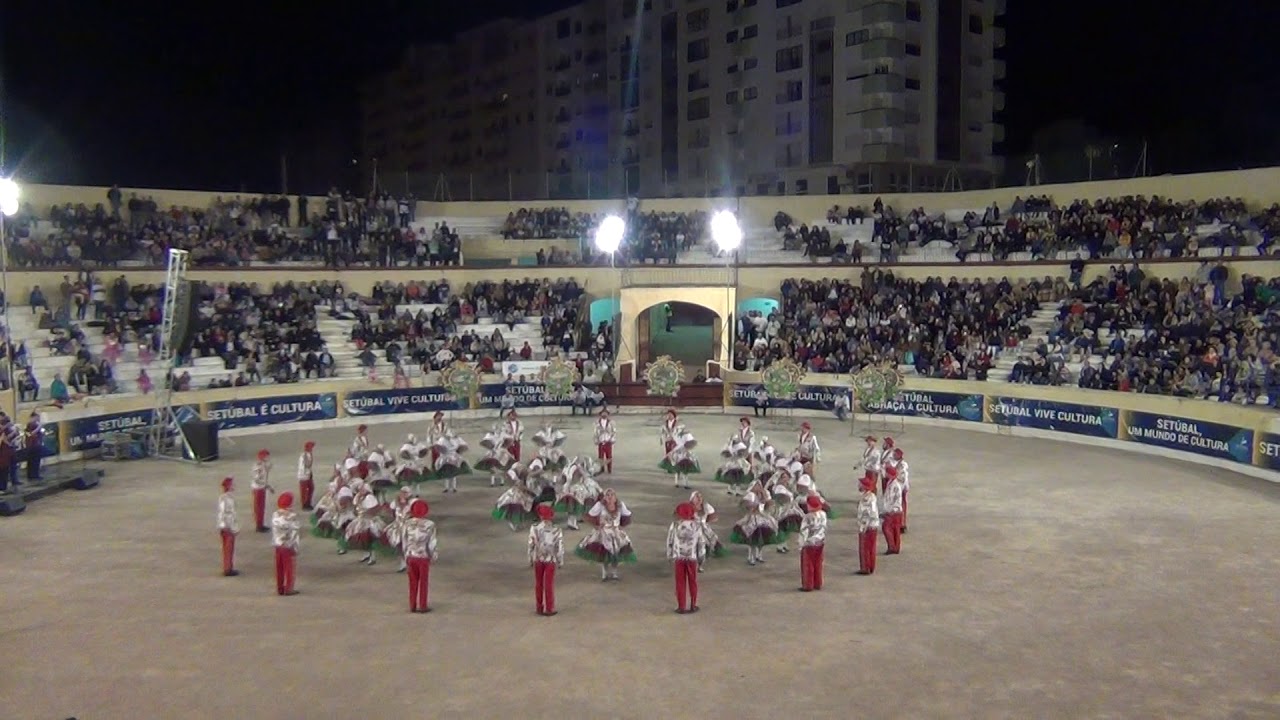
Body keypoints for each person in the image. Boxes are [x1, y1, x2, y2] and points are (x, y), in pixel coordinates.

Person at [575, 488, 635, 581]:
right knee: (604, 553)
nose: (610, 497)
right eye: (608, 495)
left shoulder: (620, 505)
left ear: (615, 497)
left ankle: (614, 573)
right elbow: (590, 515)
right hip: (604, 532)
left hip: (615, 532)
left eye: (612, 495)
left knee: (616, 551)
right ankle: (604, 573)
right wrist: (596, 525)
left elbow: (627, 515)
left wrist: (621, 527)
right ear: (605, 497)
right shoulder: (600, 505)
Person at [731, 479, 782, 566]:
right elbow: (744, 506)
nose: (758, 487)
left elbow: (769, 506)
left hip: (763, 518)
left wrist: (766, 501)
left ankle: (759, 555)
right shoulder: (750, 495)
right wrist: (752, 508)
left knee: (762, 537)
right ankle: (751, 557)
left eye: (759, 485)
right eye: (756, 485)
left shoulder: (764, 494)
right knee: (752, 539)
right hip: (753, 518)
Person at [667, 502, 706, 614]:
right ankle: (693, 605)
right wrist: (701, 559)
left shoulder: (675, 525)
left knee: (680, 582)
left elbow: (669, 541)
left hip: (679, 558)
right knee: (693, 581)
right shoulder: (697, 526)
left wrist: (670, 555)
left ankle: (681, 606)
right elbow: (701, 543)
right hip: (692, 558)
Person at [527, 504, 565, 616]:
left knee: (538, 583)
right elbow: (560, 546)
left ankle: (539, 607)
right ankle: (549, 608)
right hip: (551, 559)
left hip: (538, 559)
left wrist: (530, 558)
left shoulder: (534, 527)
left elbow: (531, 544)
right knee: (548, 583)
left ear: (540, 516)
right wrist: (560, 560)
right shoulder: (557, 529)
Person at [403, 498, 439, 613]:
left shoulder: (407, 523)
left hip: (410, 555)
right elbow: (432, 542)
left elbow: (404, 540)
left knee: (412, 582)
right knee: (423, 581)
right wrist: (433, 555)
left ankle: (412, 605)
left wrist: (405, 554)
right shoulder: (430, 524)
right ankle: (422, 605)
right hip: (423, 556)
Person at [343, 487, 390, 565]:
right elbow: (355, 508)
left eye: (363, 489)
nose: (361, 491)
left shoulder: (370, 498)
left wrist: (366, 514)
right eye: (361, 489)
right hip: (360, 520)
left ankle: (373, 556)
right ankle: (366, 553)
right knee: (360, 537)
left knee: (370, 537)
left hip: (370, 520)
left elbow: (375, 509)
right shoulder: (358, 497)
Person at [555, 457, 603, 531]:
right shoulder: (578, 468)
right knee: (589, 497)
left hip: (566, 488)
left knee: (572, 505)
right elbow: (576, 479)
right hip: (576, 488)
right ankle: (574, 521)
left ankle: (577, 519)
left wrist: (563, 487)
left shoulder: (567, 467)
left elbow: (562, 479)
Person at [493, 463, 537, 532]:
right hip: (516, 494)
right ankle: (513, 523)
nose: (522, 470)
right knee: (518, 508)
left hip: (516, 493)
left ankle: (515, 523)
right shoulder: (514, 475)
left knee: (517, 509)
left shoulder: (516, 474)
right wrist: (532, 492)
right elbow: (520, 486)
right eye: (520, 469)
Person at [272, 492, 301, 596]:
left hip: (278, 544)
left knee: (279, 567)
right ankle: (289, 588)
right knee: (289, 568)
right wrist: (295, 548)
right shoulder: (292, 516)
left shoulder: (275, 514)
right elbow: (295, 532)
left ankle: (280, 587)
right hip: (288, 545)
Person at [797, 494, 827, 591]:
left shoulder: (807, 517)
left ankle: (808, 585)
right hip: (820, 542)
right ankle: (818, 583)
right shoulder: (823, 514)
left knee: (808, 564)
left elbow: (803, 532)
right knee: (818, 563)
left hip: (809, 544)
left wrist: (801, 545)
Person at [688, 491, 724, 570]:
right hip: (692, 529)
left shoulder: (706, 506)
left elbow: (713, 517)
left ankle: (700, 564)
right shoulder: (688, 507)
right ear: (692, 499)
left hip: (704, 529)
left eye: (700, 497)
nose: (699, 499)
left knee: (705, 545)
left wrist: (704, 522)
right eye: (697, 497)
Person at [660, 424, 700, 489]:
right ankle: (684, 485)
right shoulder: (682, 439)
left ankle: (677, 483)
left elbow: (670, 437)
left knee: (678, 471)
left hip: (678, 456)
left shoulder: (677, 438)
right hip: (682, 457)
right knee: (684, 472)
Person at [855, 473, 881, 575]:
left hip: (867, 527)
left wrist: (863, 527)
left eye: (860, 484)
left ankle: (865, 567)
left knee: (865, 547)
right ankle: (871, 565)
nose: (858, 485)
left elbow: (867, 514)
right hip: (873, 525)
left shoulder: (866, 499)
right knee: (871, 547)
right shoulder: (871, 496)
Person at [433, 429, 471, 493]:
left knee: (454, 473)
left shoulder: (456, 439)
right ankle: (447, 488)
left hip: (454, 457)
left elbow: (463, 445)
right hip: (445, 458)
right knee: (447, 473)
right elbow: (438, 446)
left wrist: (459, 450)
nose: (449, 437)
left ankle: (454, 488)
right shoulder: (442, 440)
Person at [216, 477, 239, 577]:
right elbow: (224, 513)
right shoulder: (226, 499)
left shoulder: (226, 497)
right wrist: (229, 526)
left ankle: (228, 567)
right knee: (228, 547)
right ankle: (228, 568)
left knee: (228, 547)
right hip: (227, 525)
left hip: (226, 524)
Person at [881, 465, 904, 555]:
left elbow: (897, 499)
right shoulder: (890, 482)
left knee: (887, 527)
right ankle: (894, 547)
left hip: (894, 511)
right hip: (890, 510)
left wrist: (891, 510)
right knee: (894, 529)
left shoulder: (896, 485)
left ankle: (892, 547)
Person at [251, 449, 275, 533]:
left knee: (262, 507)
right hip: (258, 488)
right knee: (259, 508)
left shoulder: (263, 465)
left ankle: (260, 524)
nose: (268, 458)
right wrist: (267, 486)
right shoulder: (259, 466)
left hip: (261, 488)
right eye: (266, 456)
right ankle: (259, 525)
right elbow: (257, 479)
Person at [892, 448, 910, 533]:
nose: (893, 456)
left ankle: (902, 524)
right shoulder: (898, 463)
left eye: (895, 454)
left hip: (902, 488)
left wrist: (900, 488)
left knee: (901, 505)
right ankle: (900, 523)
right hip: (900, 487)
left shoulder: (902, 465)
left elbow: (903, 478)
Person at [593, 408, 616, 474]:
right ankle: (601, 468)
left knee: (609, 456)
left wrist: (612, 439)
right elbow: (595, 432)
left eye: (606, 413)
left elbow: (614, 431)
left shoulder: (611, 422)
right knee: (601, 456)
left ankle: (609, 469)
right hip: (601, 441)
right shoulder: (597, 423)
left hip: (608, 441)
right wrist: (596, 439)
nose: (604, 414)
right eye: (603, 413)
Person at [24, 413, 45, 482]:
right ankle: (33, 475)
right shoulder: (31, 425)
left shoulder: (34, 424)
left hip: (36, 444)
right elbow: (31, 434)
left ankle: (33, 475)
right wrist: (39, 427)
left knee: (34, 460)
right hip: (33, 445)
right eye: (37, 417)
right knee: (34, 460)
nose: (38, 419)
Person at [297, 441, 316, 511]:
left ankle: (308, 502)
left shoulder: (308, 454)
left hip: (308, 474)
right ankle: (304, 504)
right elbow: (307, 464)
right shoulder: (305, 455)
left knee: (311, 488)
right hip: (303, 475)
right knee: (304, 490)